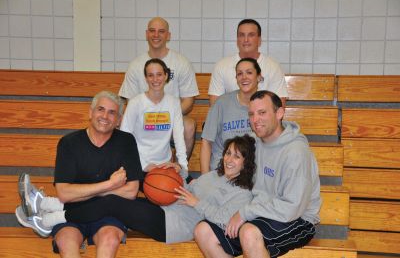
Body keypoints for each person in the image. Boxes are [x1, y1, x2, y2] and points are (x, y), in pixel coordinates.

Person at [16, 135, 256, 245]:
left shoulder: (243, 193)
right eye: (227, 153)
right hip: (166, 206)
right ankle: (47, 204)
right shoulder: (215, 175)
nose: (229, 159)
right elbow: (189, 187)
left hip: (174, 225)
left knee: (112, 202)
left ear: (246, 162)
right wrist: (177, 171)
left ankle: (51, 216)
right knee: (138, 179)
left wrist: (197, 204)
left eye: (236, 156)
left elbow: (226, 220)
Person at [15, 91, 142, 258]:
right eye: (100, 109)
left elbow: (131, 191)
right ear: (90, 113)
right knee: (66, 242)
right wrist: (109, 185)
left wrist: (83, 193)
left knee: (110, 240)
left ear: (118, 120)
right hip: (73, 214)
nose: (105, 116)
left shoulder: (126, 142)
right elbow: (64, 193)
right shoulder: (69, 143)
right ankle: (45, 213)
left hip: (109, 215)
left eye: (112, 112)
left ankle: (44, 209)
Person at [194, 91, 321, 258]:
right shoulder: (254, 142)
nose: (255, 120)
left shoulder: (295, 152)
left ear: (279, 113)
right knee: (203, 231)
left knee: (248, 232)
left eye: (262, 113)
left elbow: (292, 207)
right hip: (260, 212)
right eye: (251, 114)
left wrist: (244, 213)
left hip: (297, 219)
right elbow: (230, 162)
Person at [119, 17, 199, 159]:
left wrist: (165, 116)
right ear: (146, 34)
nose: (156, 35)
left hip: (172, 117)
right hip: (143, 118)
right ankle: (137, 168)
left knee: (189, 126)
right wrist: (151, 117)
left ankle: (178, 170)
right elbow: (130, 103)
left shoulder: (181, 62)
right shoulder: (135, 65)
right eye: (152, 31)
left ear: (168, 35)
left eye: (161, 31)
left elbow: (188, 101)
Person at [120, 58, 188, 180]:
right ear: (146, 78)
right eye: (150, 75)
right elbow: (124, 138)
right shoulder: (135, 103)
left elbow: (179, 137)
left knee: (180, 193)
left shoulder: (174, 103)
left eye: (159, 75)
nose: (155, 79)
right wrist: (144, 165)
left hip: (165, 166)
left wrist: (182, 166)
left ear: (166, 76)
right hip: (139, 165)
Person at [208, 19, 288, 107]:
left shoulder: (273, 67)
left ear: (259, 40)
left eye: (251, 35)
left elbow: (278, 107)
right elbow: (215, 107)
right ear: (237, 40)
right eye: (241, 35)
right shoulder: (221, 66)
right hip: (231, 119)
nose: (246, 40)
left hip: (262, 119)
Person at [200, 57, 259, 174]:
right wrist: (205, 179)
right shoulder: (221, 103)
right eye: (239, 74)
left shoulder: (265, 104)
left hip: (251, 175)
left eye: (249, 72)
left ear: (258, 77)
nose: (244, 77)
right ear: (236, 78)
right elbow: (206, 142)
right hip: (221, 174)